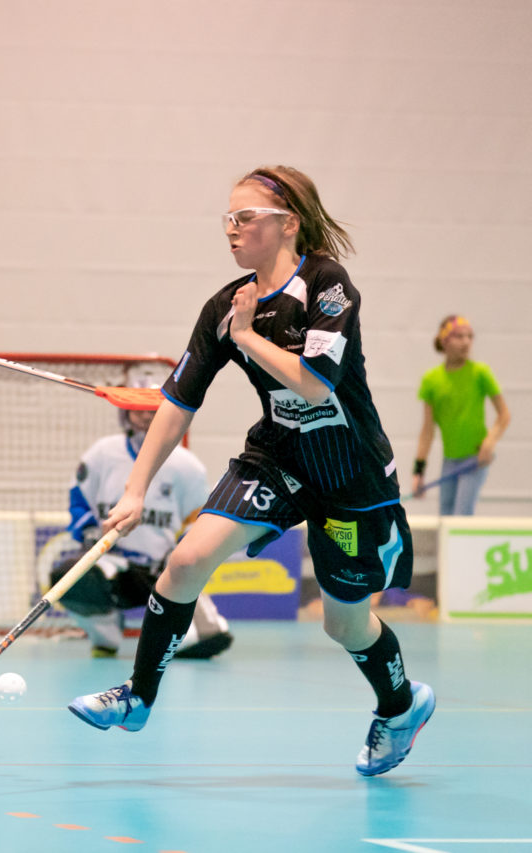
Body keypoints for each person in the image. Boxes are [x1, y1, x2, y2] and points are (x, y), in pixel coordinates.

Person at [68, 166, 435, 777]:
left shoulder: (327, 285)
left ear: (287, 222)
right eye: (228, 219)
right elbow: (178, 401)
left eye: (245, 218)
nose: (232, 230)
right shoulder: (223, 305)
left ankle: (400, 705)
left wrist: (247, 335)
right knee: (185, 561)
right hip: (277, 459)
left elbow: (315, 385)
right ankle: (138, 697)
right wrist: (135, 490)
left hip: (352, 478)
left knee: (342, 623)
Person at [55, 399, 232, 659]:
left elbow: (199, 518)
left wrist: (184, 552)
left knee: (210, 637)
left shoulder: (187, 465)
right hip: (111, 565)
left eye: (152, 410)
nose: (145, 416)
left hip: (161, 569)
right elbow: (78, 499)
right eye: (137, 409)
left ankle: (169, 631)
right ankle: (106, 635)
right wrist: (89, 532)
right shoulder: (102, 454)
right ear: (125, 413)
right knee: (71, 575)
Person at [411, 315, 511, 515]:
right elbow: (427, 431)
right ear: (444, 341)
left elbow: (504, 415)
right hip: (450, 460)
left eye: (470, 336)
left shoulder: (480, 372)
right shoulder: (431, 380)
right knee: (445, 518)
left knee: (461, 516)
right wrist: (418, 470)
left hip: (475, 458)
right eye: (459, 336)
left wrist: (489, 442)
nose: (466, 342)